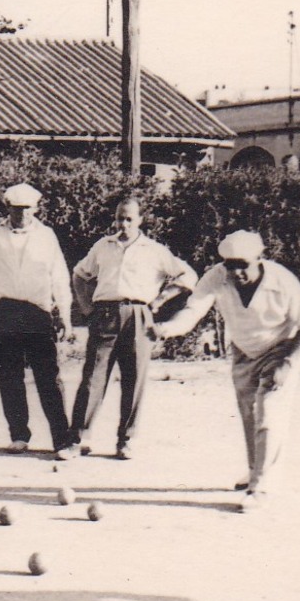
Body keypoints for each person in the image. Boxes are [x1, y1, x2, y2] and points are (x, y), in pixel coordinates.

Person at [155, 230, 300, 512]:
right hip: (244, 349)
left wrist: (287, 363)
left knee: (269, 410)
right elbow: (193, 311)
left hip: (282, 346)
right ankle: (255, 470)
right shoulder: (217, 277)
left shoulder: (282, 281)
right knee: (248, 412)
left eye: (243, 264)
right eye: (230, 265)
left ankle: (263, 486)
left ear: (259, 259)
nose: (236, 271)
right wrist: (165, 329)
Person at [68, 197, 196, 459]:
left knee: (134, 379)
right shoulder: (103, 246)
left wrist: (159, 300)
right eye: (119, 218)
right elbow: (80, 274)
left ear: (140, 220)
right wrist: (86, 308)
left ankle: (125, 440)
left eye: (129, 219)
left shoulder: (154, 249)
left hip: (139, 315)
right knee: (93, 376)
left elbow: (188, 277)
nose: (123, 224)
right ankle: (78, 438)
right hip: (104, 314)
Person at [0, 183, 76, 459]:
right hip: (4, 310)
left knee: (48, 377)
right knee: (9, 375)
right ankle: (18, 435)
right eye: (16, 209)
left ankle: (61, 440)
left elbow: (60, 277)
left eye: (27, 209)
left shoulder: (47, 237)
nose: (22, 214)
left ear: (36, 209)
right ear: (7, 209)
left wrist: (64, 314)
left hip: (38, 312)